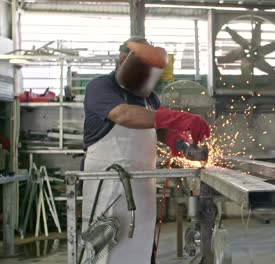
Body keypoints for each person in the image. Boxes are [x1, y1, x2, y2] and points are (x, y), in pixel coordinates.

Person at [81, 36, 210, 264]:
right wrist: (181, 118)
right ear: (122, 60)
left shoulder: (150, 97)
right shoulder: (100, 86)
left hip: (142, 185)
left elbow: (161, 128)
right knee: (105, 252)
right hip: (108, 184)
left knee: (140, 246)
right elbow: (124, 115)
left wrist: (183, 147)